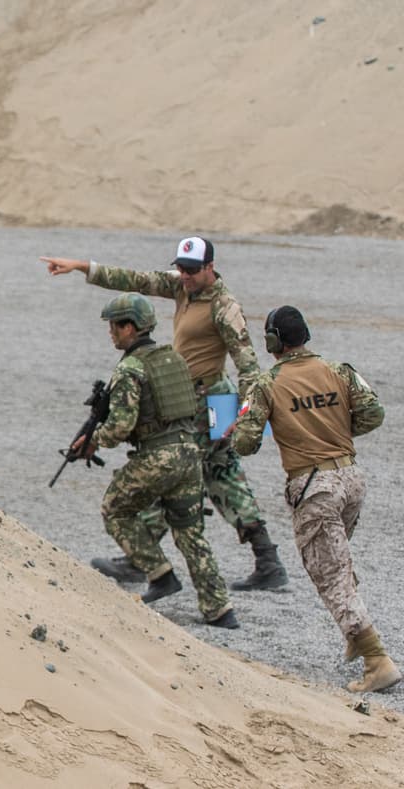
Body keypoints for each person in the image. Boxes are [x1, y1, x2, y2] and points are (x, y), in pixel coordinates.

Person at [40, 237, 288, 591]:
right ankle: (268, 561)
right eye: (181, 268)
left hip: (209, 402)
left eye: (191, 270)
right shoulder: (182, 288)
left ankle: (140, 559)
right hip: (196, 398)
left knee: (168, 467)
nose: (183, 275)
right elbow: (135, 280)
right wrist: (82, 266)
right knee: (223, 474)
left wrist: (247, 416)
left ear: (210, 267)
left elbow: (248, 366)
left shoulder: (225, 306)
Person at [231, 306, 398, 692]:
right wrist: (336, 428)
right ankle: (356, 637)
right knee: (334, 561)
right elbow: (374, 413)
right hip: (350, 478)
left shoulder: (265, 383)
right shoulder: (338, 370)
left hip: (313, 485)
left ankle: (376, 660)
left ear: (273, 341)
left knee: (330, 572)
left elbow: (245, 443)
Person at [76, 293, 237, 628]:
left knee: (115, 510)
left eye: (115, 326)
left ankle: (159, 572)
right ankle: (219, 608)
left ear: (131, 327)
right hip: (189, 454)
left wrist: (93, 442)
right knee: (190, 532)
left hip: (157, 457)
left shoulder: (130, 369)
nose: (111, 332)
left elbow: (120, 426)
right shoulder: (174, 360)